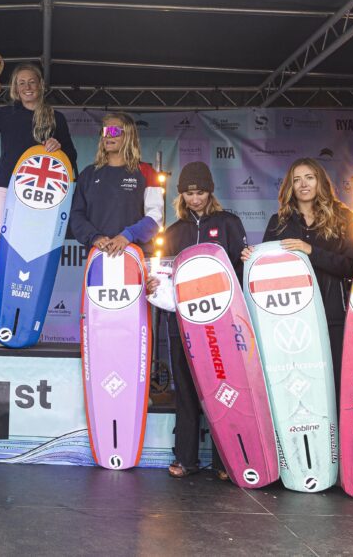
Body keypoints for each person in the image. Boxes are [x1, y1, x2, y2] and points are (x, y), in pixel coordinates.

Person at [146, 162, 247, 479]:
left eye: (200, 192)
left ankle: (225, 461)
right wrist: (153, 286)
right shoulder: (174, 232)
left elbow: (240, 273)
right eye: (189, 193)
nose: (195, 199)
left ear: (210, 191)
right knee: (186, 392)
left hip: (221, 326)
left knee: (224, 391)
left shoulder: (229, 224)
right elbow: (163, 277)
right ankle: (185, 458)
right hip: (182, 328)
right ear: (181, 195)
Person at [242, 158, 353, 384]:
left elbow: (351, 266)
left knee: (335, 379)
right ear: (290, 187)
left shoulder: (343, 218)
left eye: (309, 178)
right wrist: (252, 258)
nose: (303, 184)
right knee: (300, 381)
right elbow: (266, 268)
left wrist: (310, 251)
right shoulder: (280, 222)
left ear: (320, 182)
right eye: (296, 180)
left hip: (332, 312)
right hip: (291, 319)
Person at [0, 62, 77, 254]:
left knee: (34, 252)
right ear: (16, 88)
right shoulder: (7, 114)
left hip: (41, 194)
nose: (27, 87)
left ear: (41, 85)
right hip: (7, 189)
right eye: (22, 83)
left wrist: (59, 148)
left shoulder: (55, 117)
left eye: (32, 82)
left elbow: (71, 156)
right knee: (3, 251)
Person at [70, 112, 163, 256]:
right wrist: (95, 237)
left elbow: (156, 216)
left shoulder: (146, 172)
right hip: (99, 255)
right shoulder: (88, 174)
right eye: (105, 131)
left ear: (129, 135)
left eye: (114, 131)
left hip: (136, 256)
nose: (108, 135)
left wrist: (127, 236)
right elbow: (76, 215)